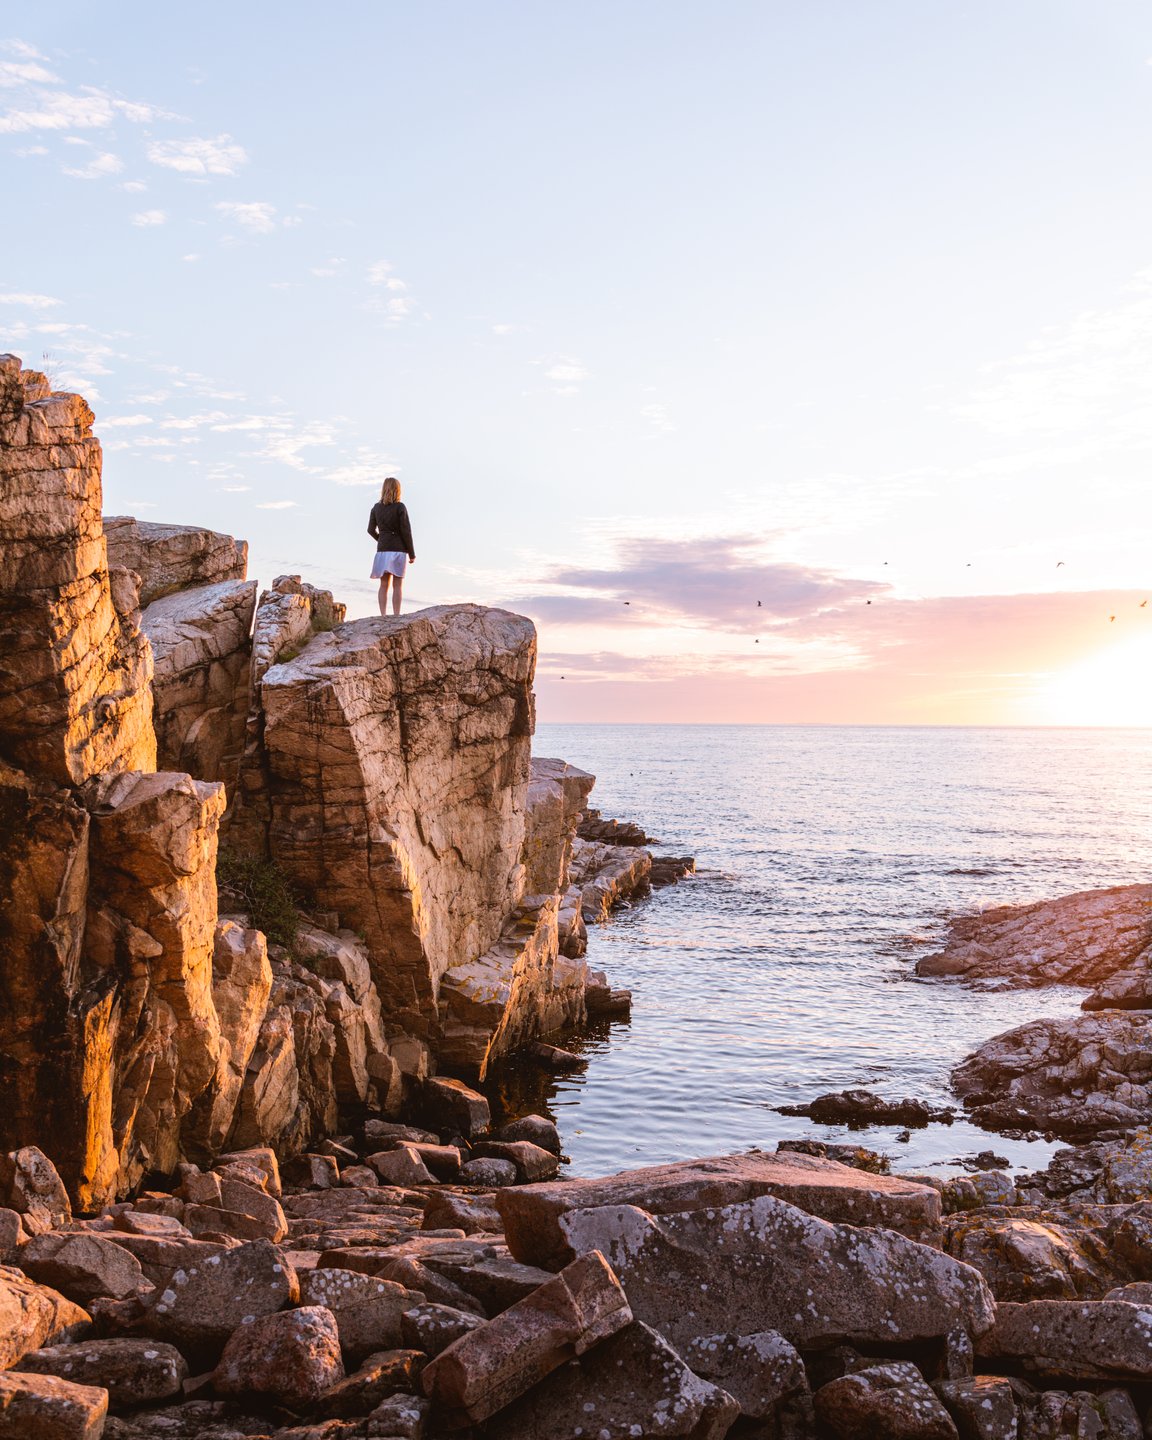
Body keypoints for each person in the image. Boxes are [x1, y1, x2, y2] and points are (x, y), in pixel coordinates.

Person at [367, 476, 416, 616]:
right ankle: (396, 615)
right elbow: (406, 531)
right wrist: (411, 554)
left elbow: (370, 530)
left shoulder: (376, 508)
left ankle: (382, 615)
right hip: (398, 550)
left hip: (382, 550)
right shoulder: (400, 507)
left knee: (383, 585)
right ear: (397, 490)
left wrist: (381, 539)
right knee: (397, 585)